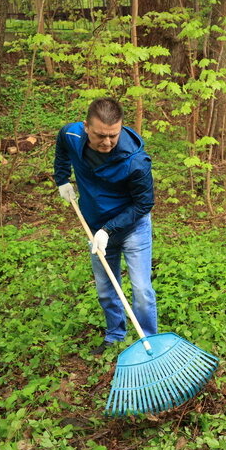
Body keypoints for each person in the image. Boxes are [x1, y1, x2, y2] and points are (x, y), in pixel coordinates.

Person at [54, 98, 158, 355]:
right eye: (101, 135)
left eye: (113, 135)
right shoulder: (71, 134)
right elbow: (61, 145)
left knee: (142, 290)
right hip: (96, 226)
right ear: (86, 127)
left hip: (133, 228)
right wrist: (61, 178)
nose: (108, 142)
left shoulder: (136, 161)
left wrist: (109, 230)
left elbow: (144, 204)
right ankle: (114, 335)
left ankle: (149, 341)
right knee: (105, 289)